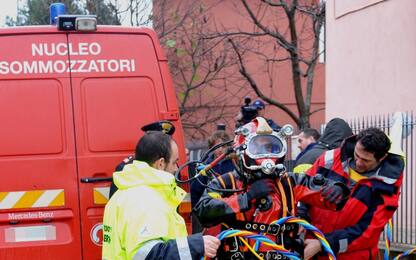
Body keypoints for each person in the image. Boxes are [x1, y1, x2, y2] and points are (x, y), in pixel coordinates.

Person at [193, 117, 350, 259]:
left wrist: (338, 189)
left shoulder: (289, 182)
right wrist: (245, 199)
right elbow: (203, 211)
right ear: (243, 152)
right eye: (258, 149)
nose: (266, 156)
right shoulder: (225, 184)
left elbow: (323, 192)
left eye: (271, 148)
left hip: (282, 254)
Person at [102, 131, 220, 259]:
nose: (176, 169)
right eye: (175, 162)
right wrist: (196, 246)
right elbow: (148, 255)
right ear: (161, 163)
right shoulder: (145, 200)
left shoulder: (123, 194)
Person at [302, 127, 404, 260]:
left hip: (350, 255)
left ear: (382, 158)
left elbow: (366, 233)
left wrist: (324, 244)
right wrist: (300, 217)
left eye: (366, 160)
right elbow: (303, 188)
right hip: (310, 247)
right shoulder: (330, 159)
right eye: (357, 155)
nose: (358, 163)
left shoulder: (386, 186)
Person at [109, 120, 176, 198]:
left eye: (166, 141)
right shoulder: (126, 167)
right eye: (157, 140)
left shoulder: (173, 166)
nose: (163, 144)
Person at [190, 129, 235, 233]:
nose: (220, 150)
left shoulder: (234, 163)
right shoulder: (205, 166)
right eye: (217, 147)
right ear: (211, 148)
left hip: (231, 208)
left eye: (223, 146)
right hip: (213, 210)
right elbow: (196, 190)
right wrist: (193, 211)